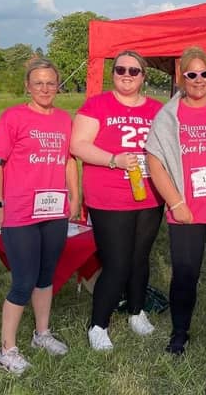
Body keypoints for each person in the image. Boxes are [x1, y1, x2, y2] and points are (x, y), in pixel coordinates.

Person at [145, 46, 206, 355]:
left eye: (204, 74)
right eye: (192, 74)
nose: (199, 80)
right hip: (186, 211)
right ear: (181, 77)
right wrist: (176, 203)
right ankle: (180, 331)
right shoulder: (168, 116)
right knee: (185, 273)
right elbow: (155, 161)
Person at [70, 50, 164, 350]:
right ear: (113, 73)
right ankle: (98, 325)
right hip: (109, 197)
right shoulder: (97, 105)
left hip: (150, 195)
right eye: (120, 69)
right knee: (117, 262)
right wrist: (114, 159)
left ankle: (137, 312)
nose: (126, 74)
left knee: (140, 257)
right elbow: (78, 145)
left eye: (133, 71)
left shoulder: (157, 109)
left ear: (143, 76)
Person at [0, 58, 79, 374]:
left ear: (58, 86)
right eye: (38, 82)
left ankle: (42, 333)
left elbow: (69, 161)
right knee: (23, 281)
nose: (45, 88)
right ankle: (7, 350)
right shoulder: (14, 117)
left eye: (50, 82)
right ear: (28, 86)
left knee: (45, 276)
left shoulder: (64, 120)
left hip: (54, 211)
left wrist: (75, 194)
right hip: (20, 212)